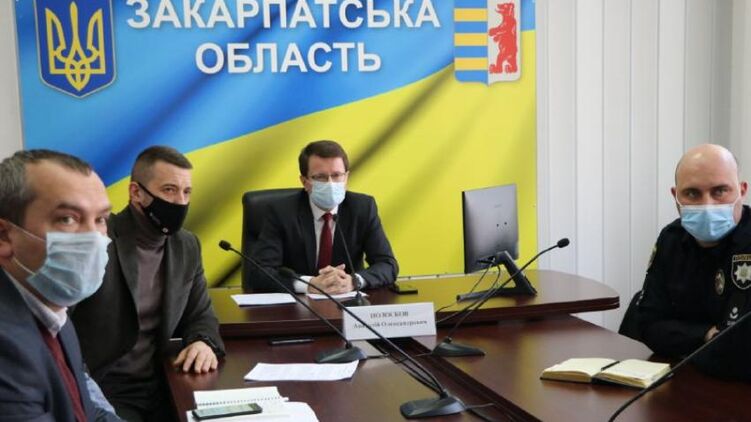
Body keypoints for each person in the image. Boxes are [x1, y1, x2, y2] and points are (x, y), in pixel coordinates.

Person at [70, 146, 225, 421]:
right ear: (136, 193)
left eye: (186, 192)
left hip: (165, 384)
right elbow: (60, 330)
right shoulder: (98, 240)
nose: (180, 202)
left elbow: (201, 314)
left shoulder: (186, 244)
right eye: (169, 190)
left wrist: (203, 342)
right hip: (105, 389)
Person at [0, 149, 121, 421]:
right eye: (67, 218)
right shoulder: (6, 348)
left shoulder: (52, 308)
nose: (94, 238)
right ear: (4, 236)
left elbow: (86, 410)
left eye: (100, 219)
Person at [632, 143, 751, 380]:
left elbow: (741, 349)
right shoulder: (671, 239)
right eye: (692, 194)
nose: (707, 205)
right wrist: (706, 334)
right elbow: (645, 325)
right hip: (684, 380)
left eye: (720, 191)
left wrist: (683, 338)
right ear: (675, 196)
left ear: (742, 190)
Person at [247, 140, 398, 294]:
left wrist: (354, 281)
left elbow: (388, 265)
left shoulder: (362, 208)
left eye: (337, 175)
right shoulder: (281, 211)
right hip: (297, 304)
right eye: (320, 177)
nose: (330, 183)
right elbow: (259, 273)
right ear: (305, 181)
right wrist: (310, 284)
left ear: (346, 178)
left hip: (348, 301)